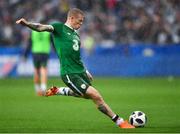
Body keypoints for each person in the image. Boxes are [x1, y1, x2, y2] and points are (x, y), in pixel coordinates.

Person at [16, 8, 134, 129]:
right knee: (96, 95)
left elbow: (76, 56)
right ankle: (120, 122)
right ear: (71, 18)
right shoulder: (59, 28)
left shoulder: (76, 35)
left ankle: (59, 91)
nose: (81, 24)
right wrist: (26, 24)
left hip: (80, 71)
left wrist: (86, 70)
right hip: (69, 72)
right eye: (79, 21)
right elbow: (40, 27)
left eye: (82, 21)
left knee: (85, 95)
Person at [23, 29, 52, 96]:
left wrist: (25, 55)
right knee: (43, 69)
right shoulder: (48, 32)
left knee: (36, 70)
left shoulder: (33, 32)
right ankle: (43, 87)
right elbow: (53, 43)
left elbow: (29, 44)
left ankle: (37, 89)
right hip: (45, 52)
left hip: (35, 53)